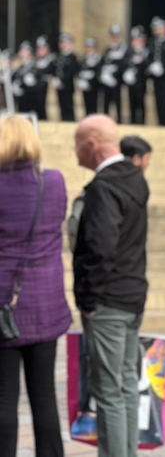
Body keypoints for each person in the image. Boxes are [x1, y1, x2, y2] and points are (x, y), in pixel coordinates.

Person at [72, 115, 150, 457]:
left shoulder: (105, 186)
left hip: (109, 300)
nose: (75, 152)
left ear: (92, 145)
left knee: (109, 392)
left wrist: (88, 299)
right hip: (131, 295)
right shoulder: (133, 177)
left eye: (77, 145)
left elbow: (100, 248)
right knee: (125, 385)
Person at [0, 115, 71, 457]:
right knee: (44, 396)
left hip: (4, 305)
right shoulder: (53, 182)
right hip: (45, 304)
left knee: (3, 399)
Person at [148, 17, 165, 127]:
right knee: (158, 100)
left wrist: (163, 66)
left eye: (158, 28)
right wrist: (151, 66)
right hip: (155, 76)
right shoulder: (153, 42)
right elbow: (149, 56)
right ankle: (160, 123)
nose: (156, 31)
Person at [100, 25, 127, 124]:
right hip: (106, 81)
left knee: (118, 103)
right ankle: (105, 122)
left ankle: (119, 122)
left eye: (117, 36)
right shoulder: (107, 50)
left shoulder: (124, 50)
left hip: (117, 81)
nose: (115, 38)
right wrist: (103, 74)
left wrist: (115, 73)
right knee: (106, 104)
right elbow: (102, 64)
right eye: (113, 36)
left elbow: (124, 65)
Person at [124, 27, 151, 125]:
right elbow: (125, 63)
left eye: (137, 40)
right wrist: (126, 73)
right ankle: (133, 122)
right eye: (133, 40)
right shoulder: (129, 52)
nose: (134, 42)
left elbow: (147, 66)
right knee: (132, 103)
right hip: (131, 83)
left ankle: (142, 123)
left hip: (141, 82)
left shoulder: (146, 52)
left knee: (141, 104)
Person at [52, 34, 81, 122]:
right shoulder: (58, 57)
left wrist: (62, 80)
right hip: (59, 86)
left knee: (69, 105)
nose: (63, 45)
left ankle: (70, 121)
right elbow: (54, 68)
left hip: (68, 85)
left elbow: (72, 70)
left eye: (65, 43)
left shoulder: (72, 57)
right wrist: (55, 78)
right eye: (61, 43)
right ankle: (63, 120)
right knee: (61, 105)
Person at [12, 42, 42, 117]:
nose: (21, 53)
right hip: (22, 100)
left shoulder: (35, 67)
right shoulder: (20, 67)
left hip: (32, 101)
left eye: (24, 51)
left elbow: (37, 84)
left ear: (30, 53)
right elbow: (16, 78)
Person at [77, 38, 102, 117]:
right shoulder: (84, 58)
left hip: (94, 84)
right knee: (86, 103)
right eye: (88, 47)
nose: (90, 49)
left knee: (94, 103)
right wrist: (81, 78)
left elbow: (99, 69)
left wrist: (93, 75)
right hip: (85, 83)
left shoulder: (98, 58)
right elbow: (80, 69)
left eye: (92, 47)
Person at [33, 36, 54, 120]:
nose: (40, 51)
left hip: (47, 91)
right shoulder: (35, 62)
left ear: (48, 50)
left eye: (43, 49)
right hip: (36, 91)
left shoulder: (52, 61)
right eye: (39, 49)